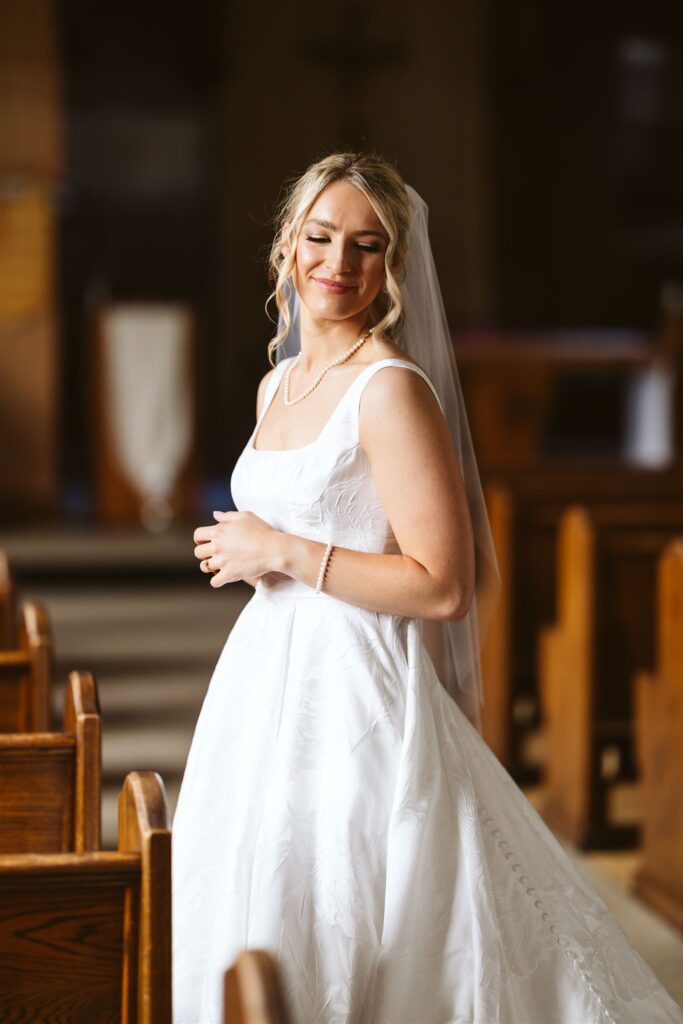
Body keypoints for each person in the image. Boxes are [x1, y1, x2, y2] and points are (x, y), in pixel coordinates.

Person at [172, 153, 683, 1024]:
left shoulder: (389, 390)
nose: (339, 263)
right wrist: (248, 554)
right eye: (321, 237)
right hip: (265, 675)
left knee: (362, 905)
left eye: (366, 246)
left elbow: (444, 586)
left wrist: (285, 551)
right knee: (261, 880)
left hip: (355, 690)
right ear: (286, 247)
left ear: (394, 267)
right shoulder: (276, 382)